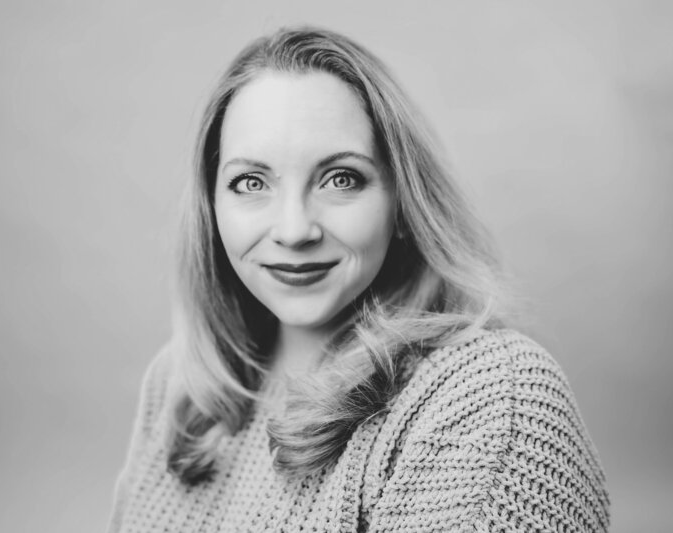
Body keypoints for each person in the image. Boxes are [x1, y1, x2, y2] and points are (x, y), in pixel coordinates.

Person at [108, 26, 610, 532]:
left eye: (340, 179)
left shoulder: (492, 397)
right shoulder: (183, 383)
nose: (294, 229)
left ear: (402, 202)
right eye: (251, 182)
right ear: (212, 208)